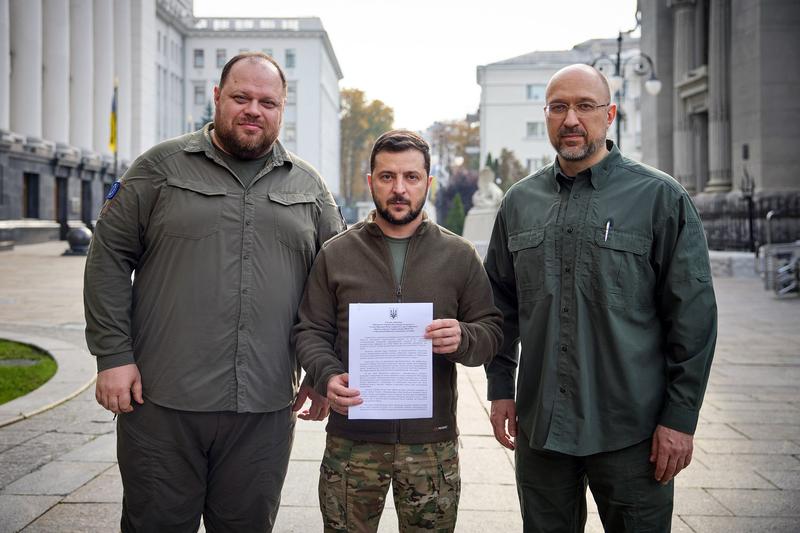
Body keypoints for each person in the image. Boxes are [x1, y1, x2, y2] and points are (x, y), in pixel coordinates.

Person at [84, 52, 345, 532]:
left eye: (267, 101)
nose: (253, 110)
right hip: (162, 403)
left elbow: (334, 287)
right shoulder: (159, 169)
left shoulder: (310, 188)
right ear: (217, 97)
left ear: (282, 108)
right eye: (241, 97)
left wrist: (322, 368)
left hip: (264, 408)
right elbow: (109, 258)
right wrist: (112, 356)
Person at [484, 64, 717, 532]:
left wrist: (680, 417)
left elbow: (692, 316)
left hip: (633, 434)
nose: (571, 119)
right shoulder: (518, 202)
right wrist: (500, 388)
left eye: (585, 106)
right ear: (546, 115)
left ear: (609, 115)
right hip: (542, 430)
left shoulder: (659, 198)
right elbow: (499, 306)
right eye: (558, 107)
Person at [293, 129, 503, 532]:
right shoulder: (336, 253)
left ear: (428, 182)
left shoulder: (458, 255)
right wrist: (327, 374)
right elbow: (310, 330)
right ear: (371, 181)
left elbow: (491, 331)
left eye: (411, 177)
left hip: (431, 444)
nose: (399, 189)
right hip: (352, 443)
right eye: (387, 177)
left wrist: (464, 337)